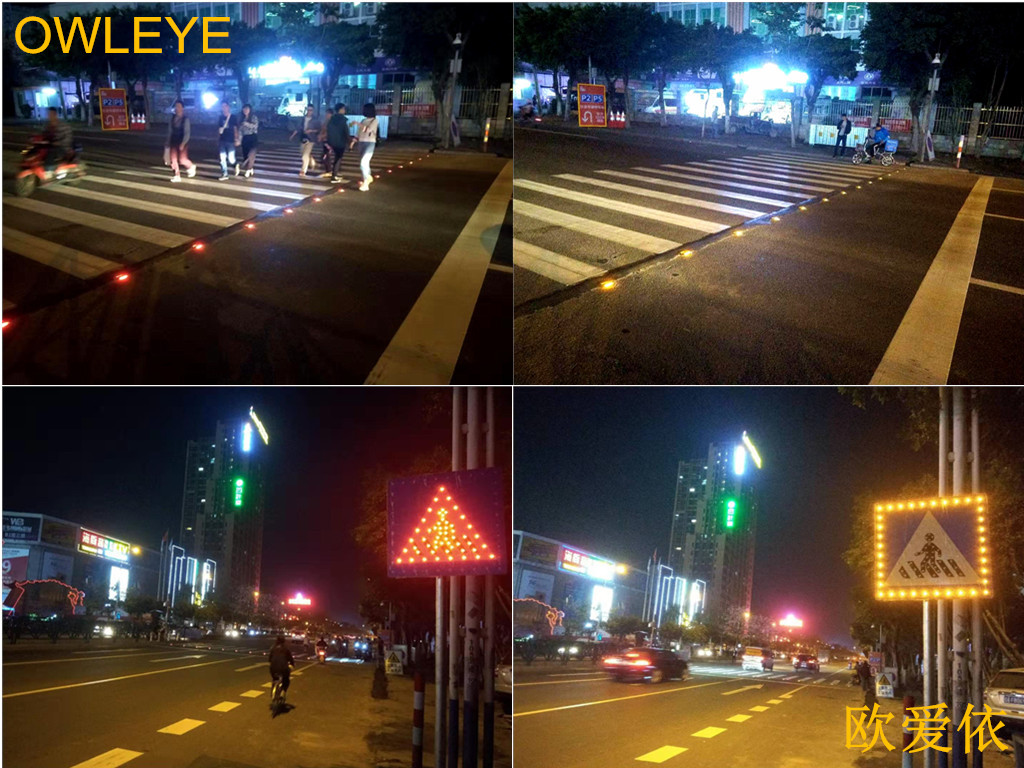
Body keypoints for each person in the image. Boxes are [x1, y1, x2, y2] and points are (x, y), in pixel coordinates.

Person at [350, 103, 379, 192]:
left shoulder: (375, 120)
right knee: (364, 163)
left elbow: (368, 130)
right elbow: (359, 133)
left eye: (364, 109)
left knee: (363, 162)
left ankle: (366, 183)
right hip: (361, 143)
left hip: (370, 143)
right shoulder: (363, 120)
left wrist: (357, 123)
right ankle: (367, 178)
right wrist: (352, 142)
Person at [165, 101, 196, 183]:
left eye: (179, 106)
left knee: (182, 160)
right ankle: (177, 175)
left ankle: (191, 166)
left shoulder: (185, 119)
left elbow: (187, 132)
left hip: (182, 141)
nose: (177, 108)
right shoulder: (172, 118)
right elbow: (170, 131)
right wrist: (167, 142)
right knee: (173, 159)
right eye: (176, 106)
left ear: (182, 108)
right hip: (173, 141)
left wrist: (183, 143)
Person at [289, 104, 321, 178]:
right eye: (308, 110)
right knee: (304, 154)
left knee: (304, 156)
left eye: (311, 110)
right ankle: (312, 162)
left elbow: (319, 129)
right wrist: (292, 136)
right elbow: (298, 128)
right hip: (303, 138)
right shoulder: (302, 119)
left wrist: (311, 131)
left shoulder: (315, 120)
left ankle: (303, 171)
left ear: (313, 111)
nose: (309, 111)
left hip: (311, 139)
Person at [42, 106, 74, 174]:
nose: (50, 116)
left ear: (55, 114)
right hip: (49, 145)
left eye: (51, 114)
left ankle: (49, 170)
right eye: (48, 114)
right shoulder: (47, 126)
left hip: (63, 148)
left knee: (51, 152)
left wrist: (59, 143)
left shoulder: (64, 126)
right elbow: (43, 135)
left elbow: (68, 138)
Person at [325, 103, 350, 183]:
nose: (344, 110)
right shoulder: (342, 119)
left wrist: (329, 141)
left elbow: (328, 129)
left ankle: (334, 173)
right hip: (340, 142)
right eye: (343, 109)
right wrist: (349, 142)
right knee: (338, 158)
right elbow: (346, 131)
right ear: (341, 109)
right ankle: (334, 176)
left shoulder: (332, 119)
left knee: (336, 158)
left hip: (332, 141)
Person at [216, 101, 240, 181]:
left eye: (225, 106)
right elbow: (219, 128)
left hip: (230, 140)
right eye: (222, 106)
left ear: (228, 107)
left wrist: (236, 139)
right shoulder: (220, 117)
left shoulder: (233, 117)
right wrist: (218, 138)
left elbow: (235, 128)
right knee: (222, 157)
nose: (223, 108)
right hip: (222, 140)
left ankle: (235, 164)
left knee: (231, 158)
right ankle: (224, 173)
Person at [238, 104, 259, 178]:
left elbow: (255, 126)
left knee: (251, 155)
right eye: (244, 109)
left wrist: (246, 124)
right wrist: (239, 140)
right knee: (245, 155)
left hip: (252, 137)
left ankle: (248, 170)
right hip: (245, 138)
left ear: (250, 110)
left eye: (247, 109)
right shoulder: (241, 118)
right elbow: (240, 130)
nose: (245, 110)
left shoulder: (253, 118)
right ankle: (250, 168)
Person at [317, 108, 334, 178]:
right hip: (325, 140)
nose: (326, 115)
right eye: (326, 113)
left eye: (327, 113)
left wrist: (322, 135)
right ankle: (328, 170)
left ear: (331, 114)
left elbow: (330, 132)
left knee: (326, 155)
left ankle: (329, 171)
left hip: (329, 141)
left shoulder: (332, 122)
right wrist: (320, 136)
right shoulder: (326, 121)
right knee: (325, 155)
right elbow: (322, 129)